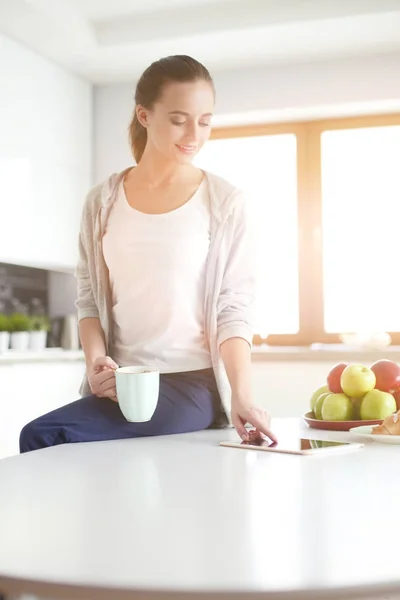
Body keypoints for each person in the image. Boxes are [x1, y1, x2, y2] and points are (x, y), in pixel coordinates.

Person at [19, 55, 276, 453]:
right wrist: (97, 362)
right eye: (178, 119)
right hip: (124, 383)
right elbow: (89, 297)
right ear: (144, 115)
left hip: (192, 382)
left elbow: (233, 309)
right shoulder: (102, 202)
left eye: (204, 120)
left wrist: (242, 395)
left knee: (43, 435)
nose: (194, 133)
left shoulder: (225, 203)